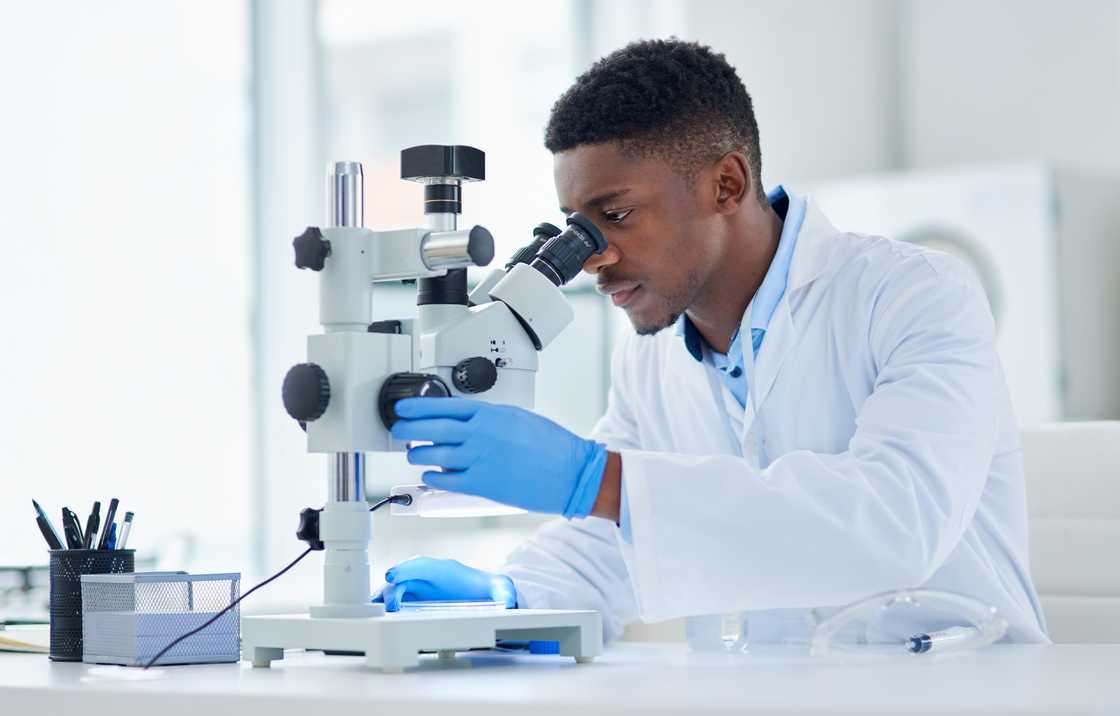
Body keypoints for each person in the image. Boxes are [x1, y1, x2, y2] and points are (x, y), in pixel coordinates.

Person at [376, 39, 1048, 647]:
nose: (592, 258)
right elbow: (614, 543)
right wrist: (515, 593)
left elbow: (897, 522)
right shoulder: (649, 356)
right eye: (575, 228)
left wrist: (596, 478)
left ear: (725, 185)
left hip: (957, 685)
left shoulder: (915, 295)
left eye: (614, 216)